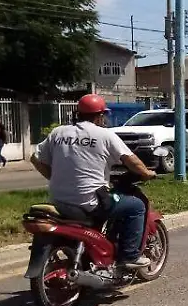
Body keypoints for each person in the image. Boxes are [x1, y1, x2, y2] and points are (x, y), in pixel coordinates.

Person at [30, 94, 157, 270]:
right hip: (89, 202)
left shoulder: (58, 133)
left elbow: (35, 158)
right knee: (136, 206)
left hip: (58, 201)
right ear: (100, 116)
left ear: (78, 114)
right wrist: (147, 173)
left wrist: (53, 176)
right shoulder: (104, 135)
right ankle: (130, 256)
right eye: (103, 116)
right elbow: (131, 160)